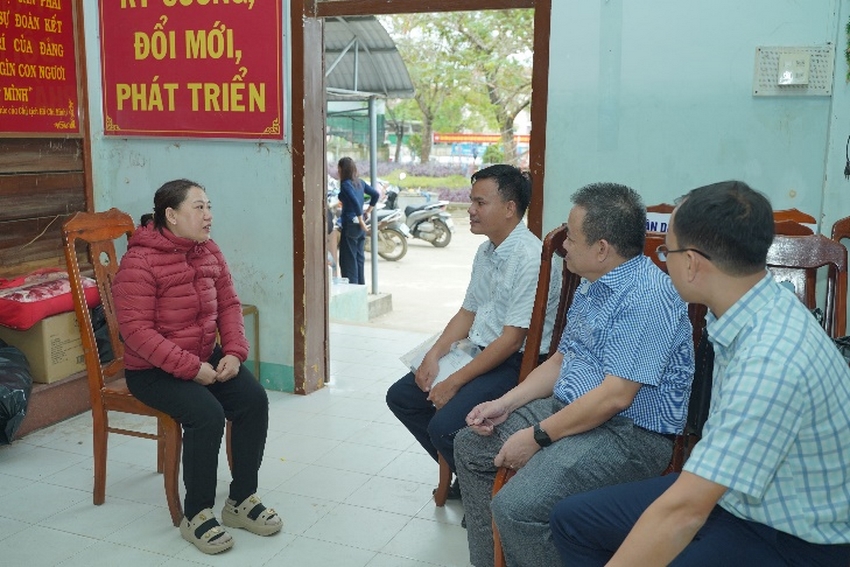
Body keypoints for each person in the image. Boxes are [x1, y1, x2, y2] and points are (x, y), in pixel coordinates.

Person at [549, 181, 850, 566]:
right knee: (574, 520)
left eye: (666, 251)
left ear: (691, 263)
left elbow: (684, 513)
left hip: (794, 540)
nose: (662, 262)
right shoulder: (753, 307)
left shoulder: (771, 360)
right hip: (739, 499)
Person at [455, 182, 695, 567]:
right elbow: (561, 361)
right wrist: (505, 404)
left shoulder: (648, 296)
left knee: (517, 507)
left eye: (571, 237)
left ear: (601, 249)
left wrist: (536, 436)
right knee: (470, 446)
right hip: (571, 410)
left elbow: (615, 397)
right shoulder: (593, 284)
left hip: (627, 435)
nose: (563, 244)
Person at [113, 179, 281, 555]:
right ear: (171, 216)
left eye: (209, 207)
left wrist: (234, 352)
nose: (208, 216)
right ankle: (197, 514)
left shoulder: (208, 250)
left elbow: (230, 305)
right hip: (151, 370)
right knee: (207, 414)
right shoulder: (139, 262)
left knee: (254, 400)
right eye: (199, 208)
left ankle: (241, 500)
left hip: (203, 355)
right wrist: (191, 368)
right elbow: (136, 333)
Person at [386, 164, 561, 496]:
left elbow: (511, 340)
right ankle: (468, 479)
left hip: (517, 362)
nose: (470, 210)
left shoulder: (529, 258)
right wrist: (433, 356)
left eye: (480, 203)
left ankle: (486, 493)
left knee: (443, 427)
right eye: (471, 201)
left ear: (509, 208)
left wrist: (453, 382)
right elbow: (467, 312)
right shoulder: (486, 251)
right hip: (479, 351)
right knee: (402, 397)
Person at [337, 157, 379, 285]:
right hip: (359, 228)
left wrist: (361, 219)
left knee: (348, 260)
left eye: (339, 168)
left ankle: (352, 290)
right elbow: (376, 194)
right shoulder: (360, 183)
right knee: (359, 259)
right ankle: (361, 288)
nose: (338, 171)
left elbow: (354, 201)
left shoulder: (346, 184)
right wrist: (367, 213)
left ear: (342, 169)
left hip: (351, 224)